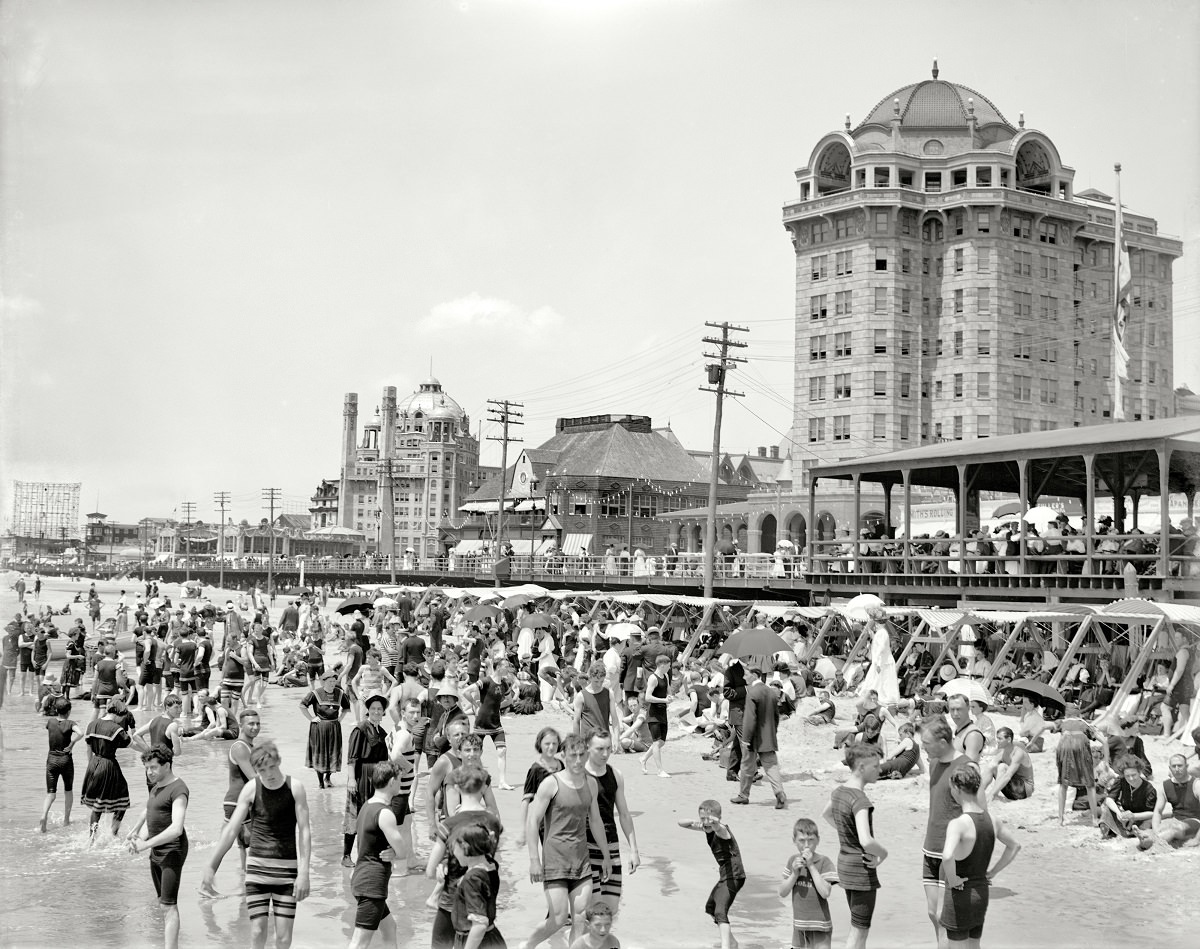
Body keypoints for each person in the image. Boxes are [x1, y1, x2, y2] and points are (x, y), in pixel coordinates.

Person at [201, 740, 312, 949]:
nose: (268, 774)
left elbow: (304, 832)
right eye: (262, 770)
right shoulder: (251, 789)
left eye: (272, 767)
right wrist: (211, 865)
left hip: (287, 873)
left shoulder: (295, 788)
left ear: (279, 762)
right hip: (256, 872)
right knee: (258, 932)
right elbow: (232, 829)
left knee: (283, 938)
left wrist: (304, 873)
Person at [523, 733, 612, 949]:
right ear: (564, 755)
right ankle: (527, 946)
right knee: (558, 918)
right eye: (573, 755)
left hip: (581, 862)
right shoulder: (550, 784)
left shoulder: (591, 784)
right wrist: (535, 860)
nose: (578, 760)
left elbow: (596, 821)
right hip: (555, 861)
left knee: (581, 918)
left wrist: (607, 855)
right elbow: (532, 821)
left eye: (582, 755)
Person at [940, 764, 1021, 949]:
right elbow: (1014, 846)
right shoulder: (993, 820)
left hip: (960, 896)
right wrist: (993, 872)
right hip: (981, 894)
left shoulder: (959, 824)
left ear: (957, 788)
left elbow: (947, 856)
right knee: (974, 945)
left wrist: (952, 879)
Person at [427, 763, 504, 949]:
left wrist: (441, 865)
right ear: (483, 787)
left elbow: (430, 870)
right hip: (483, 896)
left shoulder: (450, 824)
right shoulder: (493, 822)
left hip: (453, 899)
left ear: (457, 787)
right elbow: (493, 859)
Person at [822, 744, 886, 949]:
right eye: (875, 766)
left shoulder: (839, 791)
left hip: (845, 865)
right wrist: (883, 854)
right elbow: (866, 841)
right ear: (861, 767)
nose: (879, 770)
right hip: (860, 870)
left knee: (857, 928)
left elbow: (826, 814)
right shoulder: (860, 800)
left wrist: (845, 832)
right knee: (858, 933)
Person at [128, 745, 190, 949]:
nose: (149, 772)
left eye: (153, 767)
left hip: (172, 851)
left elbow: (176, 828)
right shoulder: (156, 787)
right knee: (162, 904)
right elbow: (152, 818)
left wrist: (146, 844)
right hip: (156, 850)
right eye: (147, 768)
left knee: (169, 906)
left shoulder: (178, 789)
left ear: (167, 765)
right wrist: (138, 838)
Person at [919, 716, 971, 949]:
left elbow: (977, 812)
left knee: (945, 916)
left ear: (942, 741)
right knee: (932, 913)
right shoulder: (933, 763)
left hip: (952, 852)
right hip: (930, 846)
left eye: (926, 743)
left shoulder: (966, 767)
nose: (923, 747)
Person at [346, 761, 410, 949]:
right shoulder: (385, 813)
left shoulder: (367, 806)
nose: (401, 783)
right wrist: (395, 853)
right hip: (372, 884)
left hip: (362, 877)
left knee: (390, 928)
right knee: (359, 943)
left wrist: (392, 852)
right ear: (391, 782)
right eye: (399, 780)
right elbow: (403, 851)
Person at [583, 730, 641, 913]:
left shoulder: (615, 775)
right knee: (589, 908)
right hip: (584, 846)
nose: (605, 754)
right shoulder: (579, 775)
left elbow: (624, 814)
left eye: (608, 748)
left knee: (610, 909)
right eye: (600, 749)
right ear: (587, 748)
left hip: (610, 844)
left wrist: (634, 850)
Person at [678, 800, 745, 949]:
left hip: (735, 875)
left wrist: (714, 823)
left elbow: (719, 829)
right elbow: (680, 823)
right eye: (703, 818)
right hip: (725, 876)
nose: (705, 822)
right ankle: (732, 941)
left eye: (709, 819)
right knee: (711, 908)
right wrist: (701, 822)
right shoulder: (706, 827)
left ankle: (726, 946)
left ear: (718, 818)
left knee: (720, 911)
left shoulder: (722, 830)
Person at [342, 694, 391, 868]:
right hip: (361, 775)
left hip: (377, 777)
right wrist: (351, 779)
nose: (377, 711)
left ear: (383, 711)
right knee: (356, 813)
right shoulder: (361, 729)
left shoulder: (383, 732)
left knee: (374, 814)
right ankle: (346, 855)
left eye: (380, 709)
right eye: (373, 709)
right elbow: (352, 757)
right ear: (368, 711)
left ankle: (370, 853)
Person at [731, 664, 787, 809]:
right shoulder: (771, 692)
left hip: (754, 738)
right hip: (768, 737)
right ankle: (779, 792)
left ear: (754, 675)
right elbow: (776, 717)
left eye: (746, 674)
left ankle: (743, 795)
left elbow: (750, 719)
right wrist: (772, 734)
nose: (744, 677)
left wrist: (745, 739)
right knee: (771, 766)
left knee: (747, 766)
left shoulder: (752, 692)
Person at [779, 817, 837, 949]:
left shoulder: (824, 862)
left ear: (818, 840)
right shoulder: (793, 861)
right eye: (801, 841)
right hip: (799, 926)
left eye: (811, 840)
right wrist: (794, 874)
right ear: (794, 841)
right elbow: (782, 892)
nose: (806, 845)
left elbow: (825, 892)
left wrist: (811, 866)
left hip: (820, 926)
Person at [81, 697, 133, 839]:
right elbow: (132, 744)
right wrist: (147, 751)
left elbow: (88, 748)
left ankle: (91, 838)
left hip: (93, 764)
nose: (121, 720)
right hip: (108, 764)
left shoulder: (92, 724)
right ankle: (113, 834)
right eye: (121, 717)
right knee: (123, 799)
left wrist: (92, 766)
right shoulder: (116, 729)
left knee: (98, 803)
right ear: (117, 713)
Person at [450, 823, 506, 949]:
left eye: (454, 848)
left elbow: (480, 924)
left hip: (476, 941)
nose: (453, 853)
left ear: (464, 846)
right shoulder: (490, 866)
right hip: (493, 938)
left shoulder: (472, 879)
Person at [463, 659, 515, 789]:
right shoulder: (486, 681)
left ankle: (502, 782)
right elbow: (466, 692)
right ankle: (473, 778)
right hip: (481, 722)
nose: (507, 668)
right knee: (475, 751)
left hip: (496, 723)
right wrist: (476, 705)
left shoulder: (504, 684)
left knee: (502, 750)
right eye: (505, 666)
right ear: (497, 668)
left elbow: (509, 700)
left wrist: (498, 707)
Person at [301, 669, 351, 788]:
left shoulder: (340, 693)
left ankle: (328, 778)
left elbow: (346, 708)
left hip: (334, 727)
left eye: (334, 681)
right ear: (323, 682)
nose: (332, 684)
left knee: (332, 753)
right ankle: (321, 783)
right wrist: (311, 718)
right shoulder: (315, 693)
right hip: (319, 728)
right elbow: (302, 705)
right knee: (320, 753)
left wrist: (340, 718)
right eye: (330, 681)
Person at [41, 696, 82, 832]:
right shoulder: (70, 723)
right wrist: (71, 744)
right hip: (65, 760)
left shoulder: (50, 721)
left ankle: (44, 815)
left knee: (51, 794)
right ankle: (66, 820)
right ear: (68, 711)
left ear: (56, 710)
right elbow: (81, 733)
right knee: (68, 791)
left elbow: (50, 730)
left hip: (51, 760)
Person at [1142, 753, 1200, 849]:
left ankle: (1150, 842)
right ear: (1170, 768)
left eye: (1180, 765)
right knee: (1159, 826)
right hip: (1175, 819)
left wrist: (1197, 839)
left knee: (1175, 828)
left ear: (1187, 766)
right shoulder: (1165, 785)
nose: (1177, 769)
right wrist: (1156, 830)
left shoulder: (1197, 785)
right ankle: (1150, 839)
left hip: (1195, 822)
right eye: (1174, 766)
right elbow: (1158, 811)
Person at [518, 727, 563, 848]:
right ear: (540, 744)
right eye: (547, 744)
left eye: (554, 743)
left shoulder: (561, 765)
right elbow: (525, 801)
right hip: (545, 823)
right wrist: (522, 831)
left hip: (563, 820)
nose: (551, 747)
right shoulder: (535, 769)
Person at [1053, 706, 1098, 824]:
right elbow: (1099, 738)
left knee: (1063, 785)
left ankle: (1060, 818)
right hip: (1082, 752)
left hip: (1065, 752)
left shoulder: (1062, 723)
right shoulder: (1084, 724)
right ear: (1079, 715)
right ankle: (1095, 818)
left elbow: (1047, 726)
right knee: (1090, 785)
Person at [1099, 755, 1157, 839]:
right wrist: (1118, 813)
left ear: (1139, 772)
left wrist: (1134, 816)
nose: (1131, 778)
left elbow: (1153, 813)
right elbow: (1109, 799)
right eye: (1127, 776)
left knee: (1148, 823)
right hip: (1125, 816)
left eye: (1134, 775)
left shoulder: (1149, 789)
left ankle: (1131, 832)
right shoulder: (1121, 780)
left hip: (1141, 818)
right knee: (1107, 811)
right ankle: (1117, 831)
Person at [856, 608, 900, 705]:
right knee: (876, 679)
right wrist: (871, 633)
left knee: (883, 681)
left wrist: (878, 663)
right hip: (880, 661)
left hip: (883, 661)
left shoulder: (882, 633)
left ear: (877, 623)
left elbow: (881, 648)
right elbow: (877, 642)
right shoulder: (881, 632)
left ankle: (882, 697)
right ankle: (873, 696)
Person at [639, 653, 672, 778]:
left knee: (662, 742)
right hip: (653, 714)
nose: (669, 668)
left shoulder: (666, 676)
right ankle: (660, 770)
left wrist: (670, 696)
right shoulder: (653, 678)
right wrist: (664, 700)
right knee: (657, 742)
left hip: (663, 712)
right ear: (662, 665)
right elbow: (648, 697)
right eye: (668, 665)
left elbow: (668, 689)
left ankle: (643, 758)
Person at [987, 728, 1034, 801]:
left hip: (1024, 791)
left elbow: (1008, 776)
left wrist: (991, 794)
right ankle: (979, 793)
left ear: (1008, 739)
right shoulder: (1003, 753)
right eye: (997, 738)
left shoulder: (1018, 753)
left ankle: (993, 795)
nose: (997, 741)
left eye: (1000, 738)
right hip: (1012, 789)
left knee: (1002, 767)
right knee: (993, 767)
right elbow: (989, 768)